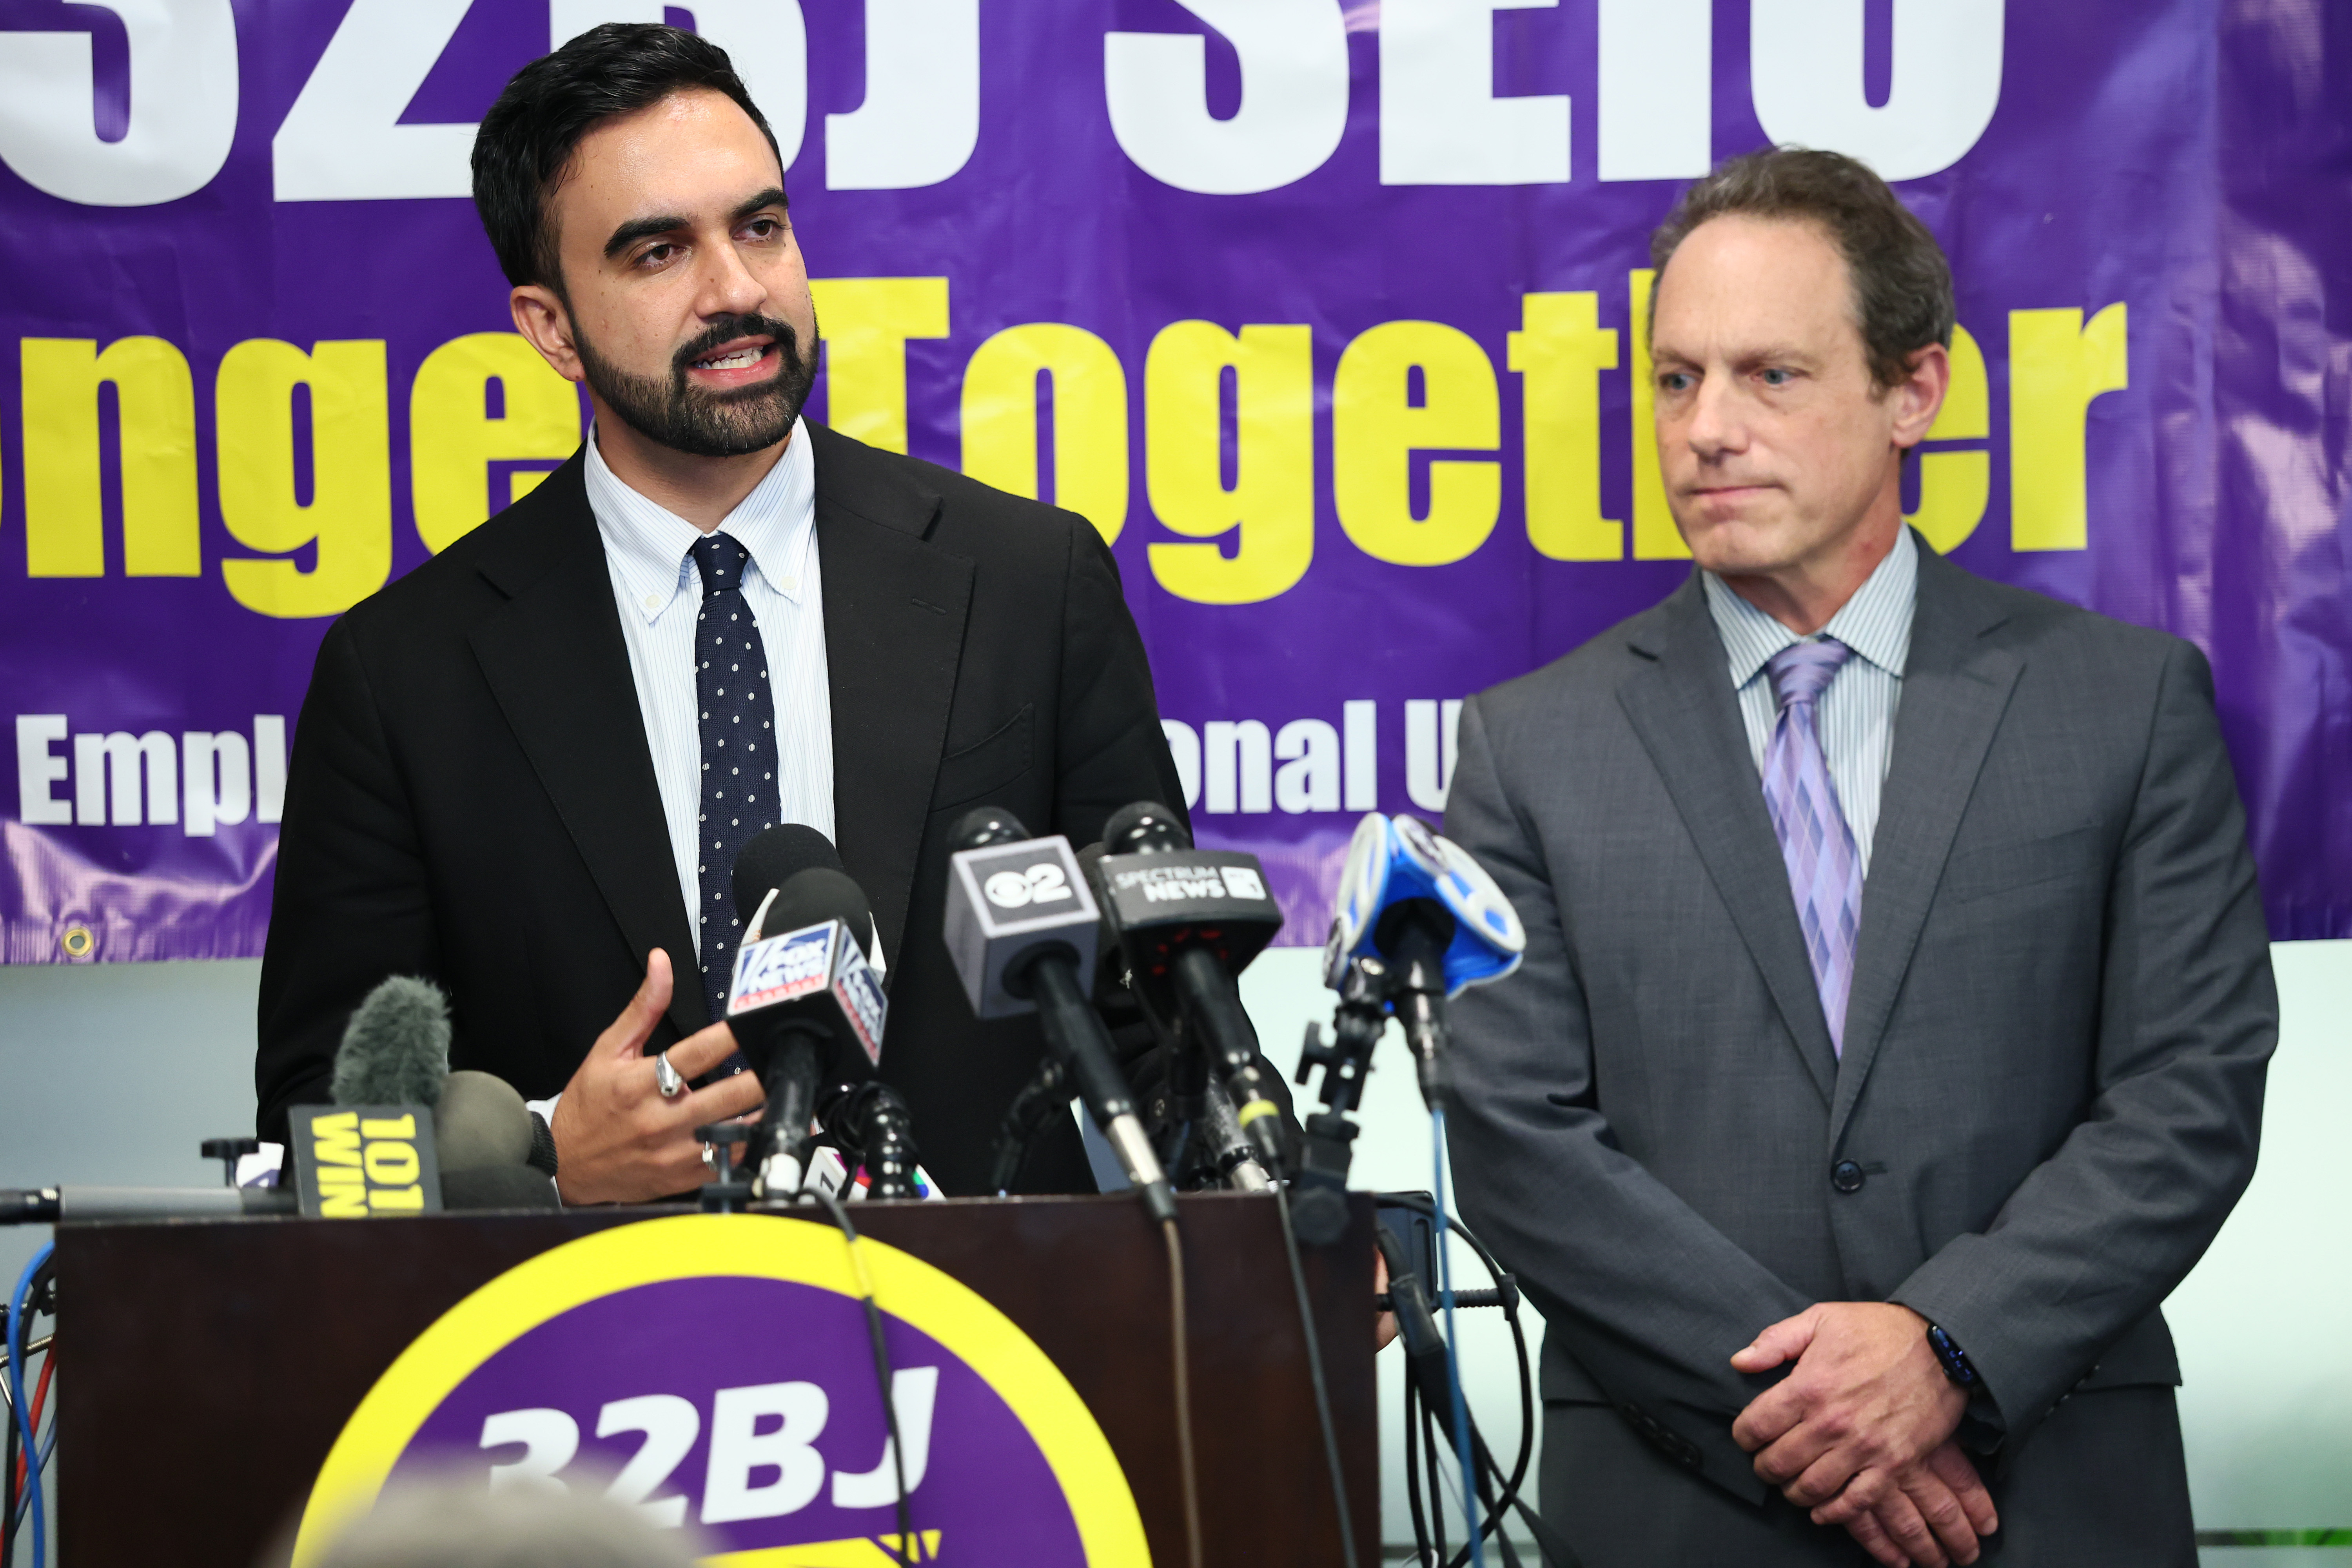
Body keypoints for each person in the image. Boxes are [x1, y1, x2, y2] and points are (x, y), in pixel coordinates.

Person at [1442, 147, 2275, 1567]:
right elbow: (1517, 1140)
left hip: (2047, 1493)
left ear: (1915, 391)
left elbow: (2189, 1091)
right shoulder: (1533, 744)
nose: (1706, 429)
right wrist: (1816, 1414)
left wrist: (1951, 1348)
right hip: (1680, 1499)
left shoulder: (2122, 705)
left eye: (1771, 376)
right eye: (1675, 378)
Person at [254, 24, 1184, 1203]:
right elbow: (316, 1126)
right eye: (657, 252)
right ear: (550, 327)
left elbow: (1163, 1022)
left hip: (998, 1350)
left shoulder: (1029, 583)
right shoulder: (405, 675)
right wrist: (547, 1157)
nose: (738, 290)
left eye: (760, 227)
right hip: (597, 1364)